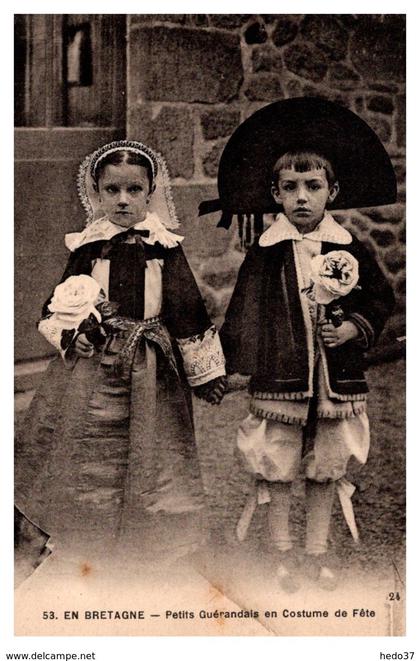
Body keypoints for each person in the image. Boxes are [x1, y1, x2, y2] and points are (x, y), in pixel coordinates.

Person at [207, 98, 396, 592]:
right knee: (277, 461)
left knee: (327, 463)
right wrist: (226, 368)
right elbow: (242, 314)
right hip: (282, 377)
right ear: (275, 193)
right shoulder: (266, 253)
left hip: (336, 379)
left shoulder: (349, 247)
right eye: (289, 188)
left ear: (332, 191)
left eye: (313, 186)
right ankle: (282, 554)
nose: (302, 198)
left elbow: (381, 298)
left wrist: (355, 326)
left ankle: (315, 552)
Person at [15, 140, 227, 571]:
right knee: (88, 440)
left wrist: (205, 372)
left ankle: (146, 532)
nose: (124, 200)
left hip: (150, 361)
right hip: (94, 365)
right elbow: (59, 304)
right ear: (97, 193)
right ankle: (84, 525)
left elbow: (187, 308)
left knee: (153, 444)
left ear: (150, 192)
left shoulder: (164, 247)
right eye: (112, 191)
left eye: (134, 189)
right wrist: (74, 336)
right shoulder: (90, 247)